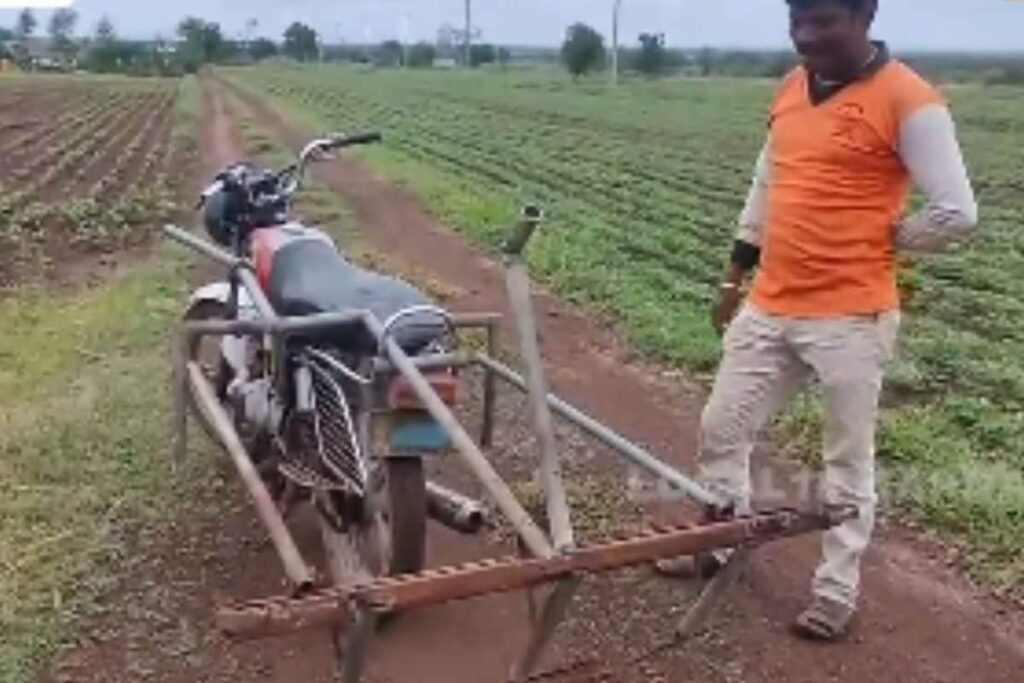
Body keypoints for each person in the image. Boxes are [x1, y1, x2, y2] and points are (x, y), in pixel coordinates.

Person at [656, 0, 978, 641]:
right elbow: (765, 184)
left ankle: (834, 593)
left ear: (865, 15)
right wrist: (734, 274)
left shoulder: (909, 100)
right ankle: (720, 541)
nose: (805, 32)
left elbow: (958, 213)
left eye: (823, 18)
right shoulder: (791, 88)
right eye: (797, 17)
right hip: (771, 304)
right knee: (722, 428)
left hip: (851, 317)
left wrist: (891, 235)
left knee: (846, 461)